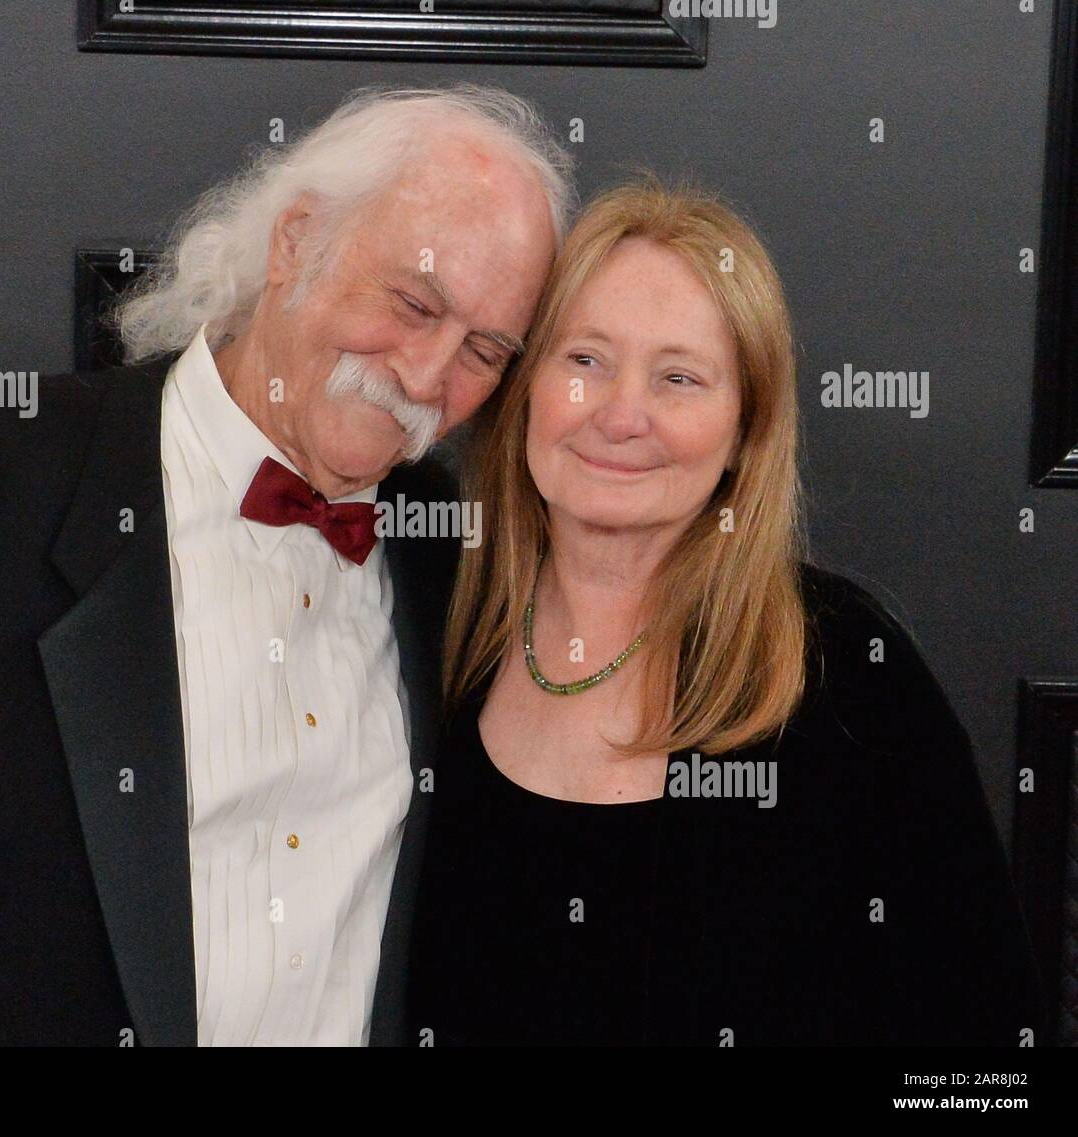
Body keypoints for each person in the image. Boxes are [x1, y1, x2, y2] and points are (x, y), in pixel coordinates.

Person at [0, 83, 575, 1046]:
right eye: (413, 302)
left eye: (485, 350)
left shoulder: (459, 566)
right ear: (294, 242)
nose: (426, 376)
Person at [405, 174, 1044, 1046]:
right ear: (526, 389)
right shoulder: (426, 614)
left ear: (746, 430)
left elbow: (989, 1058)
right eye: (585, 360)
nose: (623, 415)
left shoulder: (848, 672)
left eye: (679, 377)